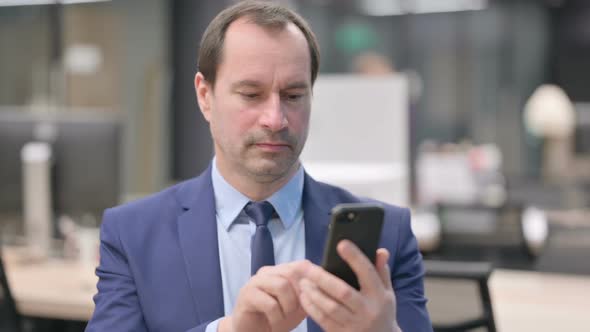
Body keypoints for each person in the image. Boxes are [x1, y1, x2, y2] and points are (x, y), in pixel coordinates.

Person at [86, 1, 431, 331]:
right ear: (205, 97)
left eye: (294, 95)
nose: (275, 119)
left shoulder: (387, 236)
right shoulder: (133, 234)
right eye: (251, 94)